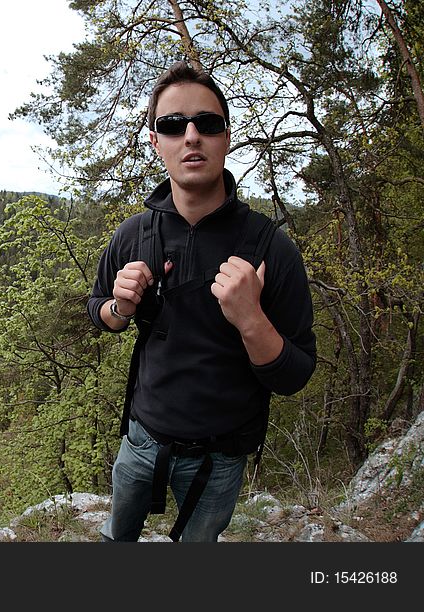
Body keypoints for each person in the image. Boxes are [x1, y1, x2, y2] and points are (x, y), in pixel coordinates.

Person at [87, 62, 317, 542]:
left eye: (207, 124)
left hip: (221, 456)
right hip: (141, 438)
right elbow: (98, 311)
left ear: (226, 138)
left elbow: (296, 373)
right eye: (173, 125)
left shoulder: (270, 249)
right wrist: (119, 308)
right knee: (116, 540)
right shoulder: (135, 234)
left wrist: (251, 319)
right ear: (156, 143)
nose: (191, 136)